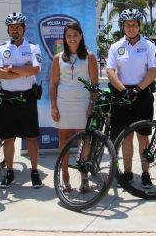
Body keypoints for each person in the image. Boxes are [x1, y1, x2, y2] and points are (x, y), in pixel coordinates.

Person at [106, 8, 156, 189]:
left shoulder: (149, 45)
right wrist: (123, 90)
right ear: (123, 26)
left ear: (139, 26)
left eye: (134, 24)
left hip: (142, 94)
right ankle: (128, 172)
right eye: (128, 25)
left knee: (143, 138)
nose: (131, 28)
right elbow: (110, 71)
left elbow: (153, 70)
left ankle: (145, 173)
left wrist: (137, 89)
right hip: (122, 96)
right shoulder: (115, 47)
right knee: (126, 138)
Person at [0, 12, 43, 189]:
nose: (15, 30)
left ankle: (35, 172)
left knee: (31, 138)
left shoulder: (33, 47)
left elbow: (34, 71)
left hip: (27, 98)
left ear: (23, 28)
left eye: (18, 27)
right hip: (7, 99)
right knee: (9, 138)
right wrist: (23, 70)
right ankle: (10, 172)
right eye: (12, 27)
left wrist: (11, 70)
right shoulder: (0, 48)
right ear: (8, 30)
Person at [50, 22, 99, 192]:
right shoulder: (58, 58)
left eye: (75, 35)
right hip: (63, 104)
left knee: (83, 140)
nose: (72, 38)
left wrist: (91, 104)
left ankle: (84, 175)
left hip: (83, 104)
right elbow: (53, 84)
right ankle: (65, 176)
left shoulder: (90, 57)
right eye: (69, 35)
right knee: (63, 141)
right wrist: (54, 107)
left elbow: (95, 84)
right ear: (65, 37)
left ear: (81, 36)